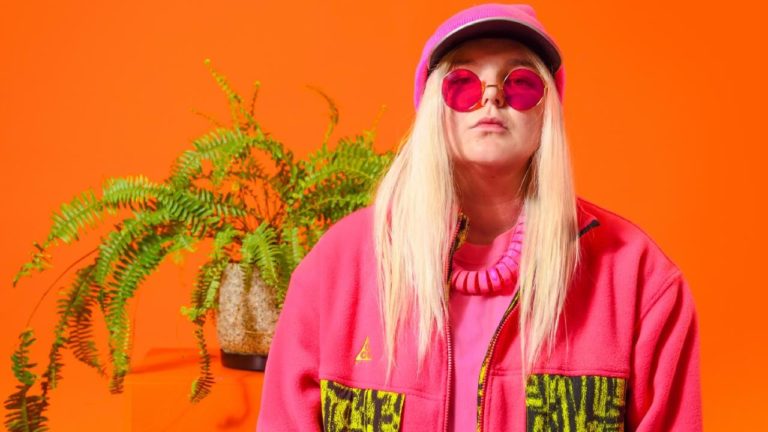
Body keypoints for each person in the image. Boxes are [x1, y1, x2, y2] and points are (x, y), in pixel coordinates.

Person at [256, 3, 702, 431]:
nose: (492, 96)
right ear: (433, 106)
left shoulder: (637, 277)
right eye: (463, 83)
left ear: (548, 109)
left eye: (521, 83)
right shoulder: (335, 269)